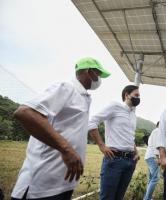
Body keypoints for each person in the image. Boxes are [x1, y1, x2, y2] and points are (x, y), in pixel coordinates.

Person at [11, 57, 111, 200]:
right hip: (42, 185)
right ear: (88, 72)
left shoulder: (84, 97)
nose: (100, 79)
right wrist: (67, 149)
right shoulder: (66, 87)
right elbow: (25, 113)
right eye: (98, 74)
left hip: (62, 182)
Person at [88, 85, 140, 200]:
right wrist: (102, 146)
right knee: (107, 197)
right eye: (136, 95)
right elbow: (92, 122)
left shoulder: (133, 115)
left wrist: (136, 152)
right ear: (126, 95)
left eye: (139, 96)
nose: (138, 98)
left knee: (119, 197)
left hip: (130, 161)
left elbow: (129, 136)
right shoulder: (114, 106)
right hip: (114, 160)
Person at [143, 122, 160, 200]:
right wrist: (157, 158)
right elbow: (155, 146)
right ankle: (147, 198)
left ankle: (146, 198)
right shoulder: (157, 131)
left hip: (150, 156)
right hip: (153, 157)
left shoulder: (155, 131)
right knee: (155, 178)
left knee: (151, 178)